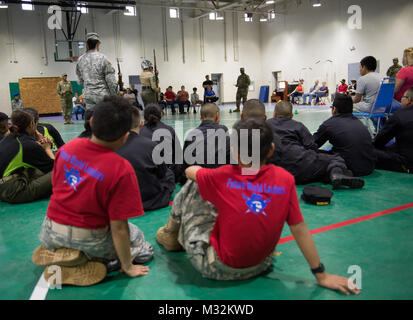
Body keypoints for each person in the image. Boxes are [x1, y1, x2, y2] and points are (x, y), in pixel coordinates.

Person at [157, 118, 361, 296]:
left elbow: (190, 172)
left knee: (195, 184)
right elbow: (299, 228)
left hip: (216, 268)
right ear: (270, 150)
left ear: (234, 151)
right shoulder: (285, 180)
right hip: (262, 264)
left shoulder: (223, 175)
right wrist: (321, 274)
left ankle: (169, 234)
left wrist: (199, 170)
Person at [34, 95, 153, 287]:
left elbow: (56, 188)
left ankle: (59, 251)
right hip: (88, 237)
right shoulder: (120, 168)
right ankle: (101, 263)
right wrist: (128, 266)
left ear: (90, 122)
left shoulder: (67, 148)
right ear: (125, 136)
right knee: (142, 244)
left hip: (49, 229)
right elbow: (119, 227)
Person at [267, 101, 364, 188]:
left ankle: (333, 175)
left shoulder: (265, 125)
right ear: (292, 115)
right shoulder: (298, 126)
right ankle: (336, 174)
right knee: (335, 158)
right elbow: (312, 147)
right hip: (299, 166)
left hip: (274, 169)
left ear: (274, 114)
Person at [117, 107, 175, 211]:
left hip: (123, 198)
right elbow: (162, 173)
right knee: (168, 173)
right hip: (150, 199)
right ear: (140, 123)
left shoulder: (113, 145)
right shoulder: (151, 146)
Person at [313, 94, 376, 177]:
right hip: (369, 167)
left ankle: (337, 173)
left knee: (312, 154)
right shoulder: (359, 122)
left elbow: (312, 144)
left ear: (334, 109)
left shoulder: (329, 124)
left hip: (348, 167)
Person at [0, 110, 54, 204]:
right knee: (63, 171)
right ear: (30, 125)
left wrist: (38, 144)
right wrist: (47, 148)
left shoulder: (9, 137)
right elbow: (56, 167)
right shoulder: (28, 144)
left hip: (5, 186)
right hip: (14, 191)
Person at [140, 104, 184, 182]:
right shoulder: (169, 129)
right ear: (161, 115)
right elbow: (178, 154)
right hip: (167, 173)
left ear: (144, 117)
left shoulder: (140, 132)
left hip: (146, 176)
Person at [374, 86, 413, 173]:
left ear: (409, 100)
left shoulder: (399, 116)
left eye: (403, 97)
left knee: (368, 150)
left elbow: (379, 141)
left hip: (406, 164)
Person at [76, 32, 119, 110]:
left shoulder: (80, 59)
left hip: (88, 97)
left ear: (87, 45)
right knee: (104, 120)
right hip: (102, 97)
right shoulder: (103, 58)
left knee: (92, 119)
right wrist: (115, 96)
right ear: (98, 44)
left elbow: (80, 82)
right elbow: (111, 82)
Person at [393, 48, 413, 113]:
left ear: (406, 58)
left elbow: (395, 89)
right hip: (411, 102)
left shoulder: (404, 71)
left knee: (376, 107)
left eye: (403, 56)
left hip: (401, 103)